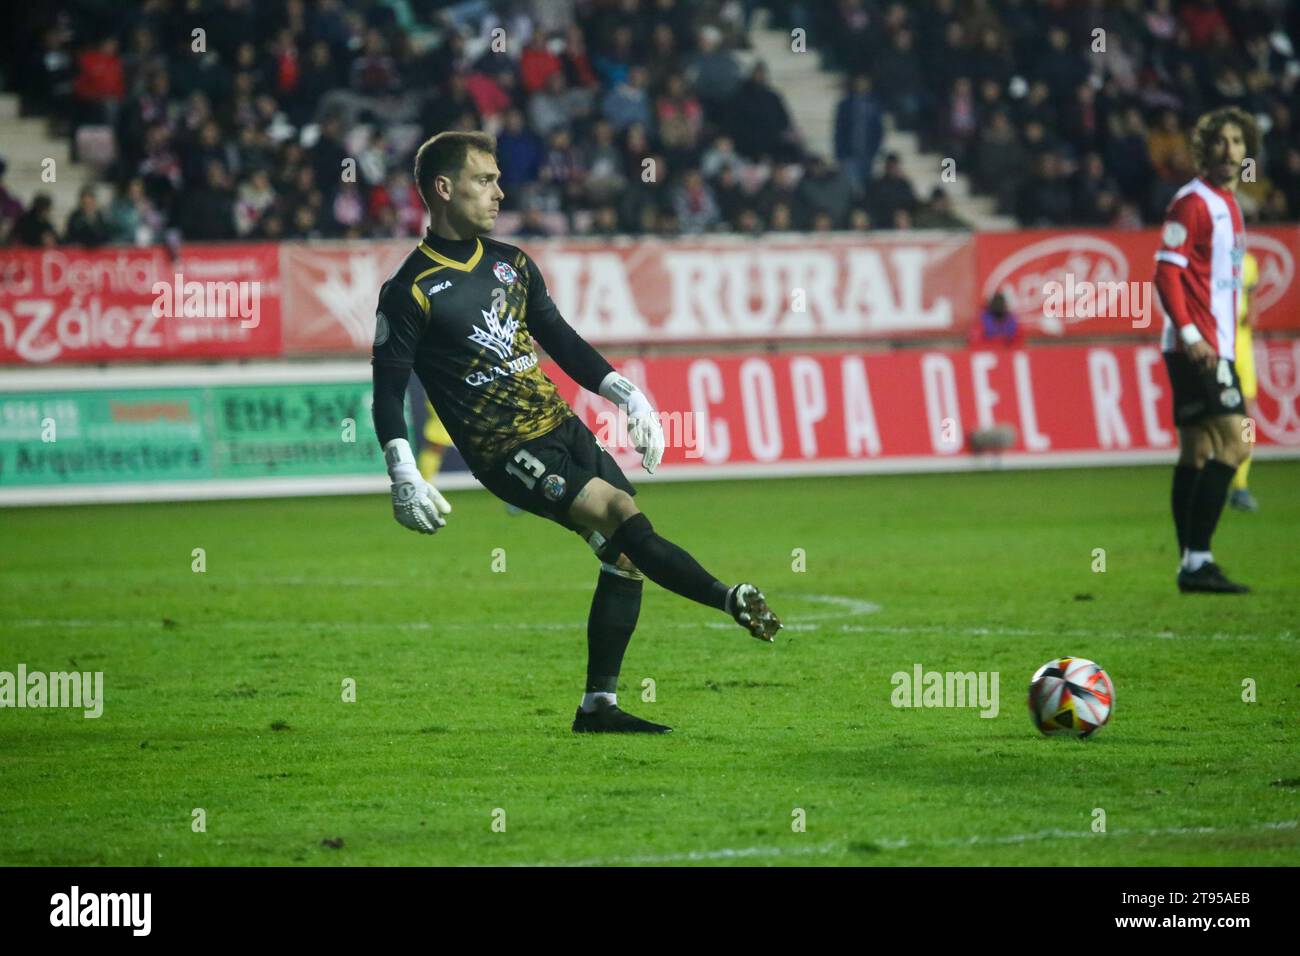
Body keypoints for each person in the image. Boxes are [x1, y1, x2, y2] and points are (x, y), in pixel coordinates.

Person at [370, 132, 782, 734]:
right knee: (619, 511)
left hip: (563, 427)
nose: (498, 191)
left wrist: (627, 395)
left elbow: (560, 340)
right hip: (505, 451)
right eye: (484, 179)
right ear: (443, 188)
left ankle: (598, 707)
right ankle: (729, 596)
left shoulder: (511, 263)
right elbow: (386, 389)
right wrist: (402, 471)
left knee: (626, 558)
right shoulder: (409, 290)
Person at [1153, 107, 1256, 594]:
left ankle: (1191, 562)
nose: (1229, 149)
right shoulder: (1191, 203)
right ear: (1204, 150)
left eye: (1237, 141)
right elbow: (1165, 272)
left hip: (1213, 345)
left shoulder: (1231, 205)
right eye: (1219, 141)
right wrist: (1193, 335)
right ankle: (1197, 560)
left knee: (1196, 450)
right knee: (1238, 443)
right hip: (1198, 347)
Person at [1228, 250, 1259, 511]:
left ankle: (1241, 485)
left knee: (1246, 418)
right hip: (1218, 347)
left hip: (1243, 348)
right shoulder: (1207, 257)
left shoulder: (1248, 262)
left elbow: (1251, 296)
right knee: (1218, 419)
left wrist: (1251, 313)